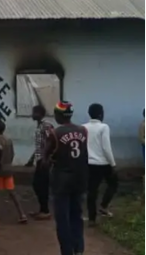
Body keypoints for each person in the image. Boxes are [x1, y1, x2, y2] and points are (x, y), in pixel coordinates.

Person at [44, 101, 88, 255]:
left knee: (63, 220)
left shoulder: (55, 133)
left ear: (57, 115)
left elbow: (45, 158)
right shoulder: (83, 130)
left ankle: (67, 252)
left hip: (61, 182)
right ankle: (79, 249)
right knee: (77, 216)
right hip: (80, 180)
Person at [83, 103, 118, 226]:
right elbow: (106, 148)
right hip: (103, 163)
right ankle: (103, 206)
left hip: (89, 163)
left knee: (91, 191)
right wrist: (113, 164)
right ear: (100, 114)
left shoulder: (83, 127)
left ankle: (92, 218)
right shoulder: (104, 127)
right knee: (113, 184)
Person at [31, 105, 54, 220]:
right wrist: (31, 159)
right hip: (39, 159)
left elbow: (51, 140)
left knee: (40, 185)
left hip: (44, 161)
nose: (32, 115)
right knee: (38, 184)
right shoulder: (39, 125)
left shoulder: (46, 125)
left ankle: (45, 210)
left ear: (40, 114)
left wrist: (46, 158)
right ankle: (42, 209)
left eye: (34, 113)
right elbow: (41, 145)